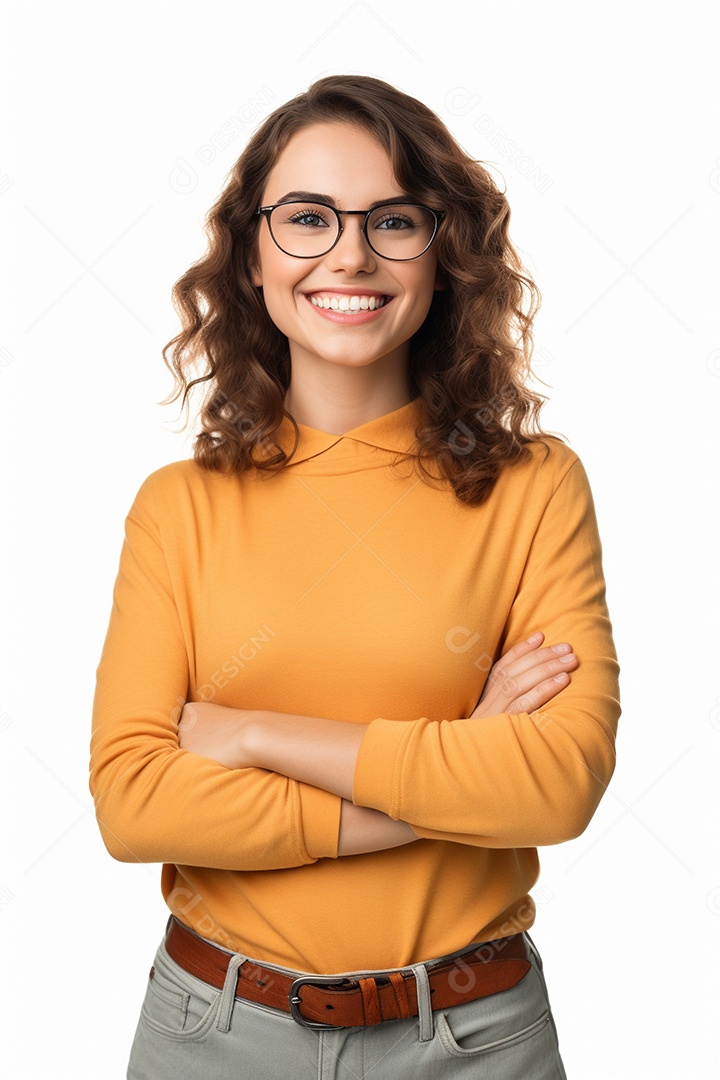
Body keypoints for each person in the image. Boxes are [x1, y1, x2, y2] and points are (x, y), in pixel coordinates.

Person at [89, 74, 620, 1079]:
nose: (349, 254)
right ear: (252, 255)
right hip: (213, 1035)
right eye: (308, 219)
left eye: (393, 221)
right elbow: (134, 803)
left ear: (443, 253)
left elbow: (555, 785)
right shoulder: (179, 507)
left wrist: (251, 734)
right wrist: (458, 766)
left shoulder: (534, 487)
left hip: (476, 1041)